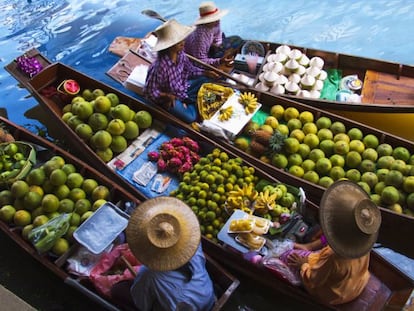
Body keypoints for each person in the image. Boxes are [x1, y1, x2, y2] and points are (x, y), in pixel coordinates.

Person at [280, 180, 382, 305]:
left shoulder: (333, 256)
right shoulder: (362, 242)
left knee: (286, 256)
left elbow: (313, 279)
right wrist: (310, 246)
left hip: (334, 294)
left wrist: (303, 265)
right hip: (357, 282)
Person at [111, 196, 215, 311]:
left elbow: (142, 305)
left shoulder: (148, 274)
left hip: (191, 306)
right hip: (208, 295)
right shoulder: (191, 239)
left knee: (117, 290)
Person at [144, 19, 219, 123]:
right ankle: (193, 102)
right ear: (169, 46)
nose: (183, 43)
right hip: (171, 98)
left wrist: (205, 72)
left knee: (205, 79)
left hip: (182, 88)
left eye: (182, 39)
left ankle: (192, 101)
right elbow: (149, 92)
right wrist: (167, 96)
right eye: (178, 41)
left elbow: (190, 70)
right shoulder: (159, 67)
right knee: (190, 118)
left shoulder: (181, 55)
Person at [185, 2, 243, 69]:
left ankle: (223, 57)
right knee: (218, 61)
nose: (217, 21)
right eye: (213, 19)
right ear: (206, 21)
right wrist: (220, 61)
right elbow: (199, 62)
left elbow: (218, 34)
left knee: (237, 39)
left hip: (210, 46)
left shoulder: (216, 22)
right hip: (197, 58)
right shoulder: (200, 37)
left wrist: (217, 44)